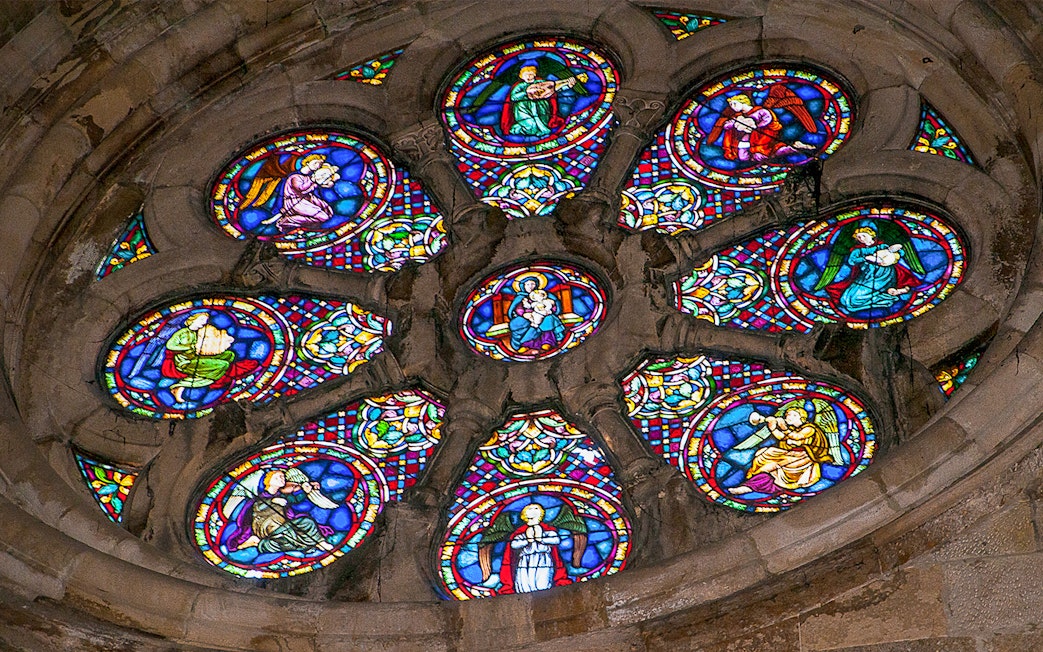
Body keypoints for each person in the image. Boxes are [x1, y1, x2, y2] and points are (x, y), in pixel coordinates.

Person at [226, 468, 337, 555]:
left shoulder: (281, 496)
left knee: (306, 523)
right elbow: (257, 508)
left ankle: (261, 544)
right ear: (269, 481)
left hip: (284, 525)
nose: (282, 479)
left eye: (283, 477)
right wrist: (271, 501)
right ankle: (317, 543)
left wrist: (307, 490)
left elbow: (294, 500)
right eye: (278, 477)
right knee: (292, 531)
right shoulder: (260, 497)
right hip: (267, 526)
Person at [730, 406, 835, 496]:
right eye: (787, 415)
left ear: (800, 417)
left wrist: (784, 428)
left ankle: (749, 487)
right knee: (763, 454)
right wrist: (773, 428)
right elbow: (783, 438)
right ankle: (750, 483)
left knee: (772, 466)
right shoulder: (794, 429)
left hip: (804, 458)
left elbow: (797, 437)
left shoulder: (810, 428)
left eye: (790, 415)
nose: (786, 417)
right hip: (791, 454)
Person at [706, 88, 817, 163]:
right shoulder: (738, 116)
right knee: (743, 158)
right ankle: (792, 148)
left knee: (761, 155)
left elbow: (768, 119)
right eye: (730, 105)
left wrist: (754, 124)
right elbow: (727, 125)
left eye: (734, 104)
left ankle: (793, 147)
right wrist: (733, 124)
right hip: (750, 138)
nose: (732, 107)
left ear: (744, 102)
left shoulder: (760, 111)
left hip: (765, 135)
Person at [162, 312, 252, 404]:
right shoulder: (181, 333)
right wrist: (189, 347)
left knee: (229, 355)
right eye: (201, 320)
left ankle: (214, 373)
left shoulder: (196, 333)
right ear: (192, 319)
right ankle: (180, 386)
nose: (203, 323)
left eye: (204, 321)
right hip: (185, 363)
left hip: (196, 358)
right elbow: (170, 346)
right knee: (223, 365)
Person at [831, 225, 916, 313]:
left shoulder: (882, 246)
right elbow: (851, 261)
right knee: (845, 299)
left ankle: (885, 297)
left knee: (855, 300)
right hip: (866, 275)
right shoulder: (857, 251)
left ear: (871, 235)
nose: (861, 238)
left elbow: (901, 252)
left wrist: (892, 255)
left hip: (884, 275)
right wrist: (865, 258)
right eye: (859, 237)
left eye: (864, 235)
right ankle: (882, 296)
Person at [500, 503, 569, 593]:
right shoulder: (519, 532)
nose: (533, 510)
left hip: (543, 559)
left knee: (543, 582)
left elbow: (556, 540)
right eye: (529, 509)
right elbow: (514, 544)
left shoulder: (548, 530)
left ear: (541, 513)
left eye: (536, 508)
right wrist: (528, 541)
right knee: (525, 583)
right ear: (524, 514)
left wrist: (541, 539)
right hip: (525, 560)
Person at [503, 65, 576, 137]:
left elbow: (554, 89)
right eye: (525, 75)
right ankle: (516, 128)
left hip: (540, 106)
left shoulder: (541, 83)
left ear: (534, 74)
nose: (528, 77)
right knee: (531, 126)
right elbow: (513, 97)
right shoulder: (520, 86)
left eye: (530, 74)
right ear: (521, 76)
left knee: (543, 123)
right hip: (523, 108)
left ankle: (541, 130)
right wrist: (526, 92)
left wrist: (568, 85)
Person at [507, 276, 567, 352]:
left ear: (536, 285)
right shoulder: (520, 297)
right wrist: (524, 314)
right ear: (523, 286)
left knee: (549, 320)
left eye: (532, 284)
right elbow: (517, 309)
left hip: (544, 315)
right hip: (527, 316)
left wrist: (549, 309)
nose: (530, 287)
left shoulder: (544, 295)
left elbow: (554, 306)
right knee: (517, 323)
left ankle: (547, 342)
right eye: (527, 284)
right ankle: (526, 344)